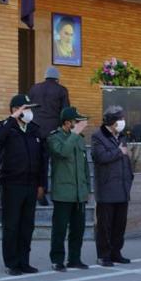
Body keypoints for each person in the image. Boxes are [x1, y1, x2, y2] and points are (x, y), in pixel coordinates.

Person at [0, 94, 47, 276]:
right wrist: (12, 119)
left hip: (31, 184)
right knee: (12, 225)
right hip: (12, 184)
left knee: (26, 225)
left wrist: (41, 184)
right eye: (26, 108)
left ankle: (24, 261)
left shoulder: (34, 130)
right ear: (16, 110)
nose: (29, 112)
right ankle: (11, 263)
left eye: (30, 109)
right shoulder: (5, 127)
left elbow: (43, 159)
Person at [48, 107, 91, 272]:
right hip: (63, 192)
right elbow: (63, 152)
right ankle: (57, 259)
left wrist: (87, 188)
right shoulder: (55, 138)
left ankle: (74, 258)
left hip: (79, 192)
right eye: (76, 121)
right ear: (67, 123)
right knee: (59, 229)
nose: (79, 124)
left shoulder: (79, 139)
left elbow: (85, 166)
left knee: (77, 228)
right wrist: (74, 135)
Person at [91, 105, 133, 267]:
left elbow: (126, 160)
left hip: (122, 188)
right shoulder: (98, 136)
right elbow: (100, 157)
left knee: (119, 224)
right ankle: (103, 255)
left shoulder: (121, 137)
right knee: (105, 225)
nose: (122, 122)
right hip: (107, 188)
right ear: (110, 121)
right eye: (119, 119)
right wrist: (119, 152)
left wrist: (129, 178)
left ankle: (116, 252)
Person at [27, 66, 69, 206]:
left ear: (45, 76)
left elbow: (28, 108)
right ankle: (59, 193)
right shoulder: (61, 90)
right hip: (53, 132)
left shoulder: (34, 88)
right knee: (58, 162)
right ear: (57, 78)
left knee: (41, 163)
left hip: (36, 131)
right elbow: (65, 112)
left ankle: (41, 192)